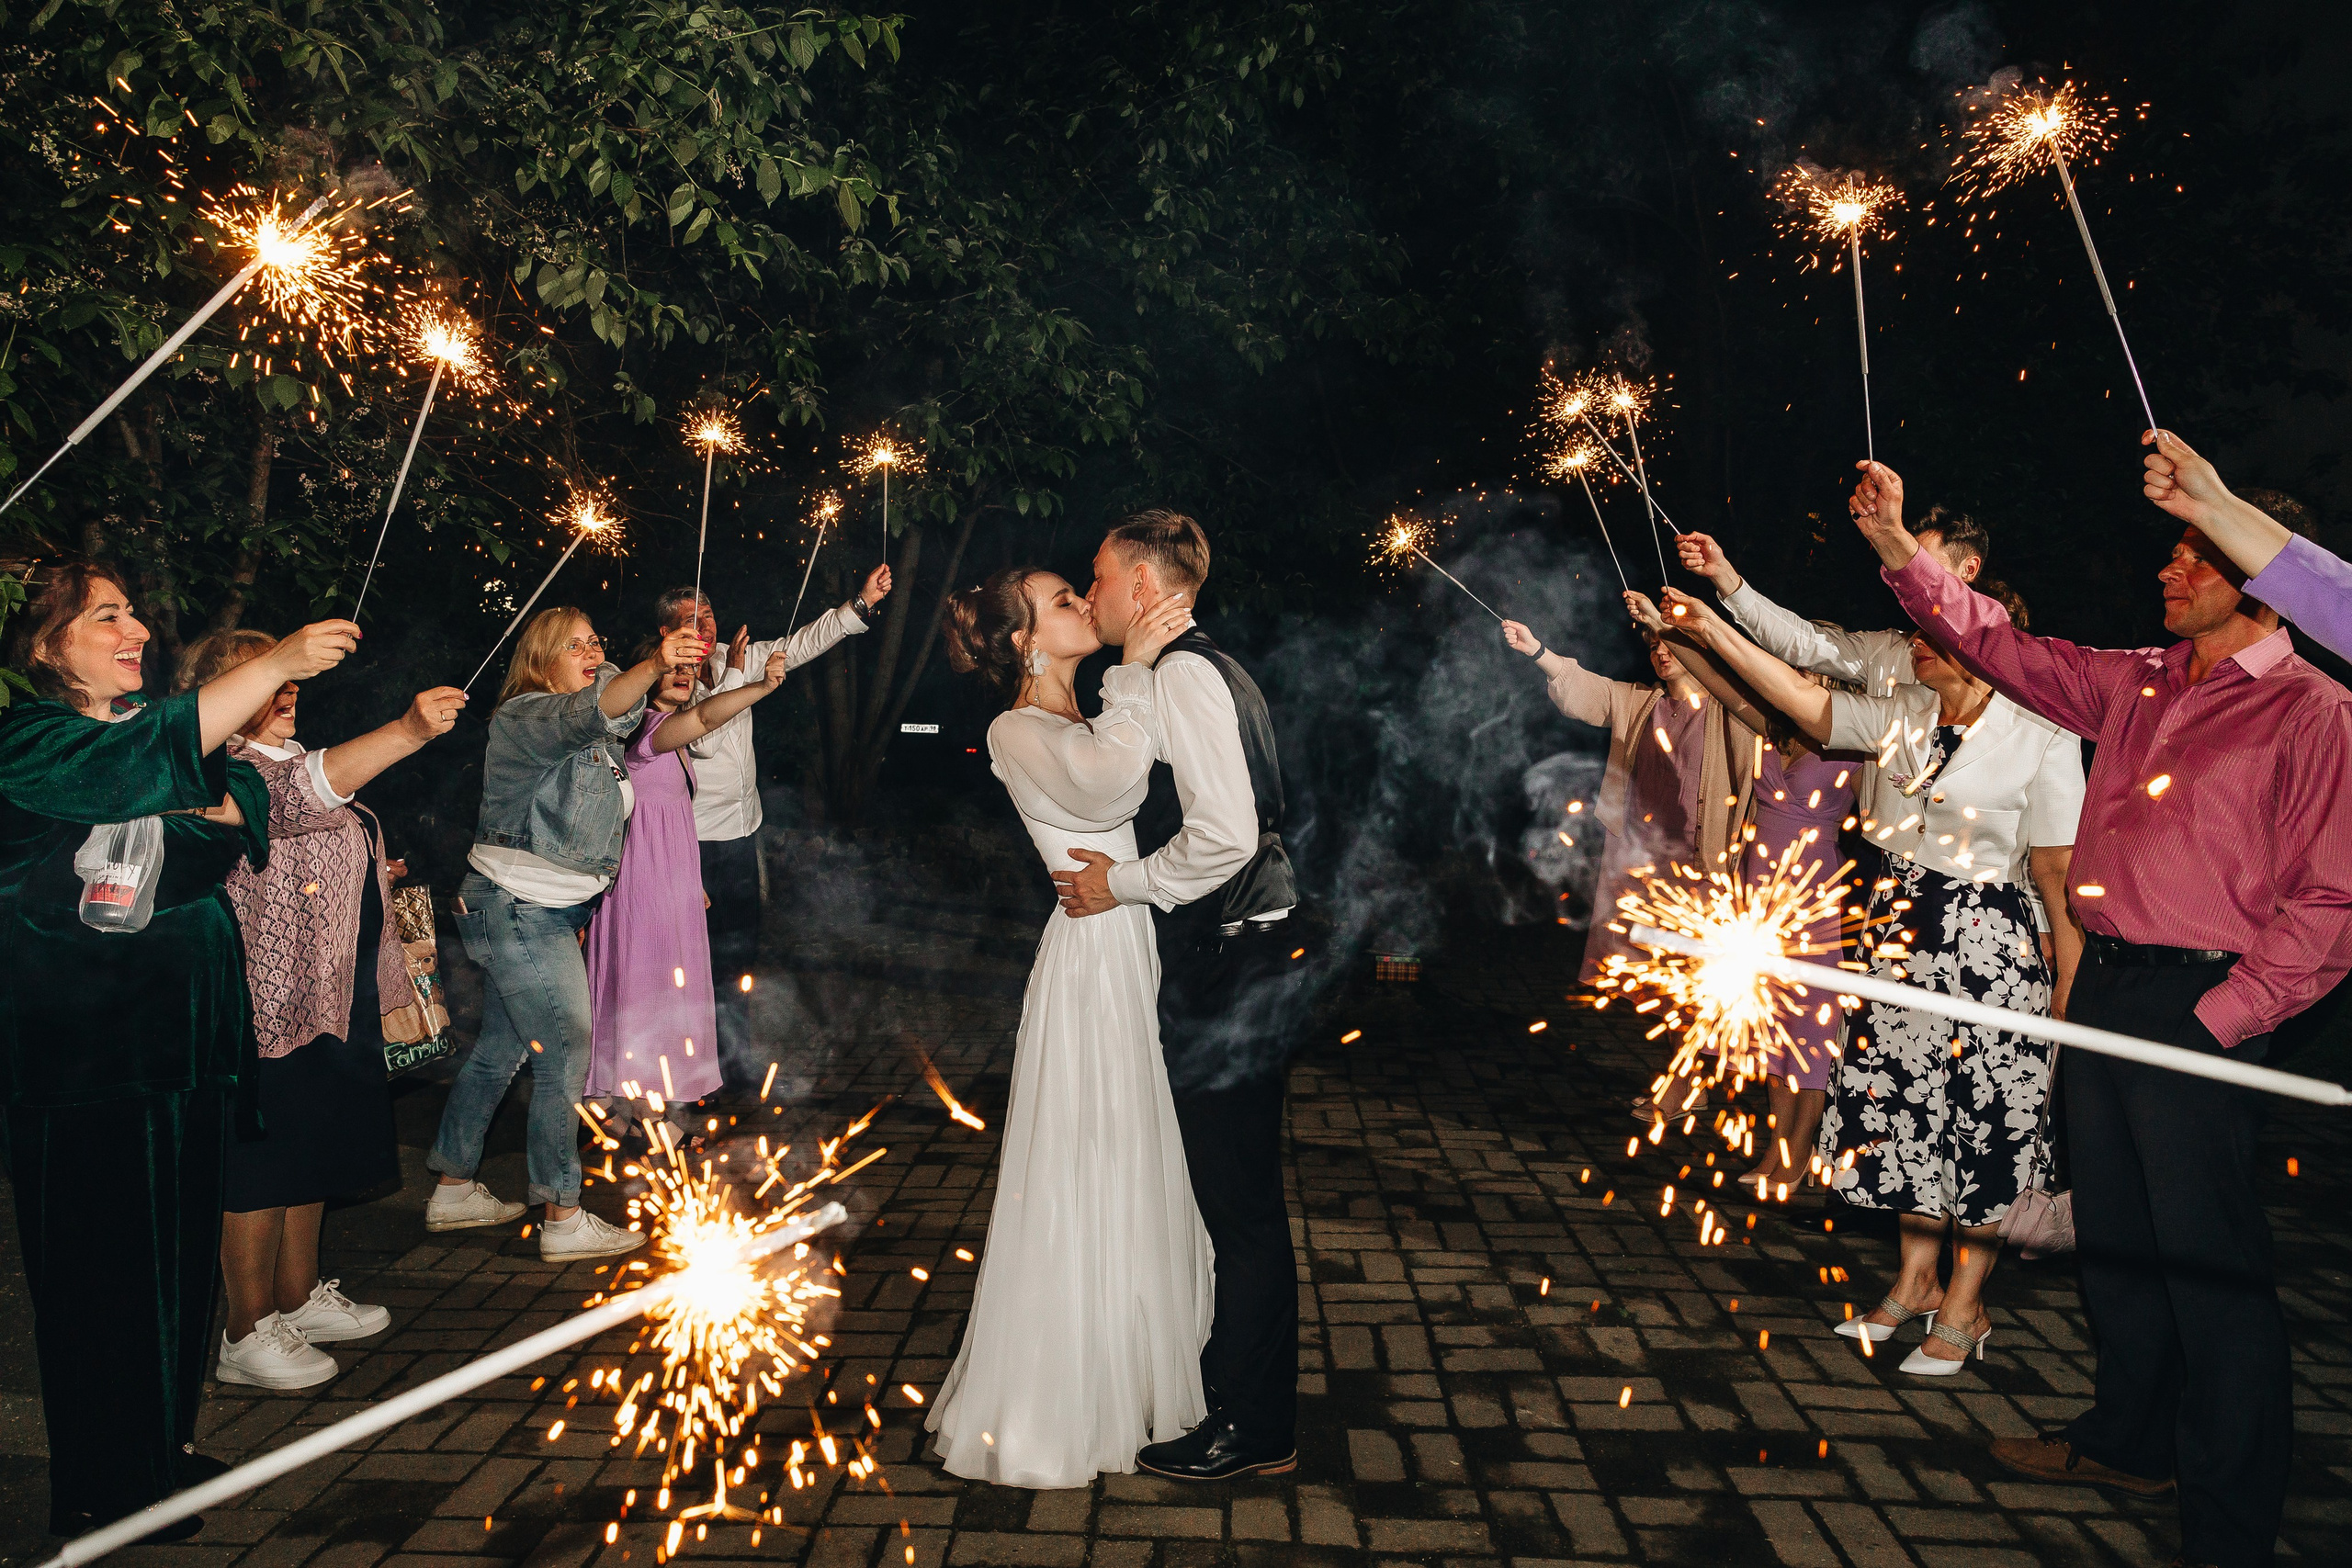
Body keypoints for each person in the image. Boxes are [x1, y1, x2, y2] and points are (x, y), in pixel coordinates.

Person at [1853, 457, 2352, 1562]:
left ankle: (2230, 1521)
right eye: (2173, 549)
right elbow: (2007, 651)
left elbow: (2329, 899)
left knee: (2208, 1269)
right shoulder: (2137, 679)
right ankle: (2127, 1438)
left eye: (2195, 553)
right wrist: (1898, 550)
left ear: (2266, 582)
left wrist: (2227, 1019)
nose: (2169, 566)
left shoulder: (2315, 711)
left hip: (2201, 1005)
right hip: (2108, 990)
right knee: (2118, 1246)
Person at [0, 559, 356, 1539]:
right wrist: (276, 663)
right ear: (45, 645)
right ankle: (102, 1486)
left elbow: (232, 826)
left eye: (133, 611)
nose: (137, 630)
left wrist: (188, 802)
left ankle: (157, 1448)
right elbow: (175, 782)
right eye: (105, 616)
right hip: (85, 1064)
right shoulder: (28, 739)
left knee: (174, 1269)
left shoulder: (154, 746)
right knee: (97, 1279)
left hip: (185, 1053)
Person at [1650, 580, 2084, 1377]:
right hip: (1896, 938)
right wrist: (1710, 627)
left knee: (1983, 1123)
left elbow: (2056, 869)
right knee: (1907, 1116)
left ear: (1984, 642)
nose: (1913, 639)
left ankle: (1967, 1301)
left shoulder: (2042, 730)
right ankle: (1916, 1279)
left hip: (1990, 950)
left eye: (1932, 629)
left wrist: (2067, 985)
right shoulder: (1906, 713)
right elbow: (1800, 701)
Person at [924, 563, 1204, 1486]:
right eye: (1062, 601)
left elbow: (1139, 761)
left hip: (1124, 938)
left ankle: (1127, 1366)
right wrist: (1136, 670)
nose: (1084, 605)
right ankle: (1059, 1403)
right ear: (1021, 642)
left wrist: (1143, 675)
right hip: (1088, 959)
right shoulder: (1017, 728)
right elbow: (1110, 788)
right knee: (1088, 1157)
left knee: (1130, 1153)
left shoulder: (1081, 713)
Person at [1054, 512, 1310, 1482]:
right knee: (1232, 1200)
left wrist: (1114, 886)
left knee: (1240, 1207)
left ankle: (1256, 1427)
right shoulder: (1186, 667)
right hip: (1237, 955)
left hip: (1234, 963)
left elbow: (1225, 838)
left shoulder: (1191, 674)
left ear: (1142, 585)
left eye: (1099, 576)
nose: (1091, 594)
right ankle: (1241, 1400)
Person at [171, 630, 466, 1390]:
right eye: (269, 677)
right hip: (269, 1001)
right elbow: (302, 801)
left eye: (291, 676)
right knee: (264, 1163)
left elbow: (324, 815)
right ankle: (246, 1328)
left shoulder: (291, 759)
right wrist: (406, 730)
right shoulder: (224, 770)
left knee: (314, 1146)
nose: (290, 689)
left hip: (333, 992)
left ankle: (296, 1296)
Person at [425, 606, 703, 1261]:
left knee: (501, 1048)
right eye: (571, 644)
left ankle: (453, 1185)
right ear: (540, 660)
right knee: (565, 1051)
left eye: (595, 639)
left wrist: (648, 669)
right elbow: (597, 705)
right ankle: (562, 1214)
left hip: (538, 912)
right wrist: (655, 662)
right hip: (518, 909)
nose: (589, 649)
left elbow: (614, 707)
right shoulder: (527, 717)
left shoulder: (598, 734)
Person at [1623, 592, 1860, 1195]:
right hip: (1760, 897)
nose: (1792, 673)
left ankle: (1800, 1157)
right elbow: (1724, 682)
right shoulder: (1773, 725)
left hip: (1813, 898)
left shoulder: (1855, 740)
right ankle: (1776, 1153)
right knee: (1773, 1033)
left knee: (1808, 1038)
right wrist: (1667, 629)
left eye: (1806, 667)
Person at [1495, 611, 1760, 1122]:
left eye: (1672, 642)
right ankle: (1687, 1079)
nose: (1660, 652)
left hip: (1709, 865)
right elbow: (1585, 694)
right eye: (1653, 643)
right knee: (1667, 980)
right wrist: (1536, 650)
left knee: (1702, 977)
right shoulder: (1643, 703)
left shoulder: (1729, 710)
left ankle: (1687, 1085)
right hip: (1648, 867)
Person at [654, 566, 890, 1076]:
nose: (705, 623)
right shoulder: (671, 680)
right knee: (700, 959)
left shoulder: (736, 657)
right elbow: (705, 739)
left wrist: (862, 602)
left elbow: (806, 641)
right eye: (689, 618)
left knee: (741, 954)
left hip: (743, 834)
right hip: (694, 844)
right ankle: (692, 1067)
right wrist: (740, 676)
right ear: (667, 632)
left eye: (709, 612)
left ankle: (732, 1062)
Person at [584, 640, 795, 1145]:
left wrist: (690, 877)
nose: (685, 676)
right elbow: (703, 719)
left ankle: (618, 1109)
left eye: (690, 670)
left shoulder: (668, 735)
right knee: (647, 991)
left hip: (668, 879)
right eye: (672, 670)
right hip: (642, 885)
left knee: (659, 989)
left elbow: (668, 815)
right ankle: (646, 1119)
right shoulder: (644, 731)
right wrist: (760, 686)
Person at [2142, 427, 2348, 660]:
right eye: (2175, 557)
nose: (2165, 573)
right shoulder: (2130, 674)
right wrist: (2210, 507)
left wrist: (2214, 507)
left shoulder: (2312, 696)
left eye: (2201, 559)